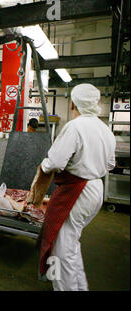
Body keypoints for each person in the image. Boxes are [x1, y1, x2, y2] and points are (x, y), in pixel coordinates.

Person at [32, 83, 115, 291]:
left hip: (77, 192)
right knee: (71, 245)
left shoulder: (75, 126)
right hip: (96, 189)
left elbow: (56, 161)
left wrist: (44, 166)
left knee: (61, 252)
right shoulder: (105, 129)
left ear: (72, 104)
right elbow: (110, 164)